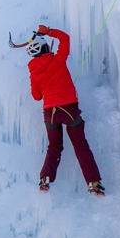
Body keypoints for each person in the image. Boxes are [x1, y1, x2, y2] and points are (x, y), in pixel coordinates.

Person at [25, 25, 105, 195]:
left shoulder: (33, 72)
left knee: (54, 146)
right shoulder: (57, 60)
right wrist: (47, 31)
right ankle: (93, 182)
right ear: (45, 48)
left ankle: (45, 178)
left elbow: (36, 96)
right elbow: (65, 38)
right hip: (68, 108)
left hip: (50, 113)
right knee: (80, 145)